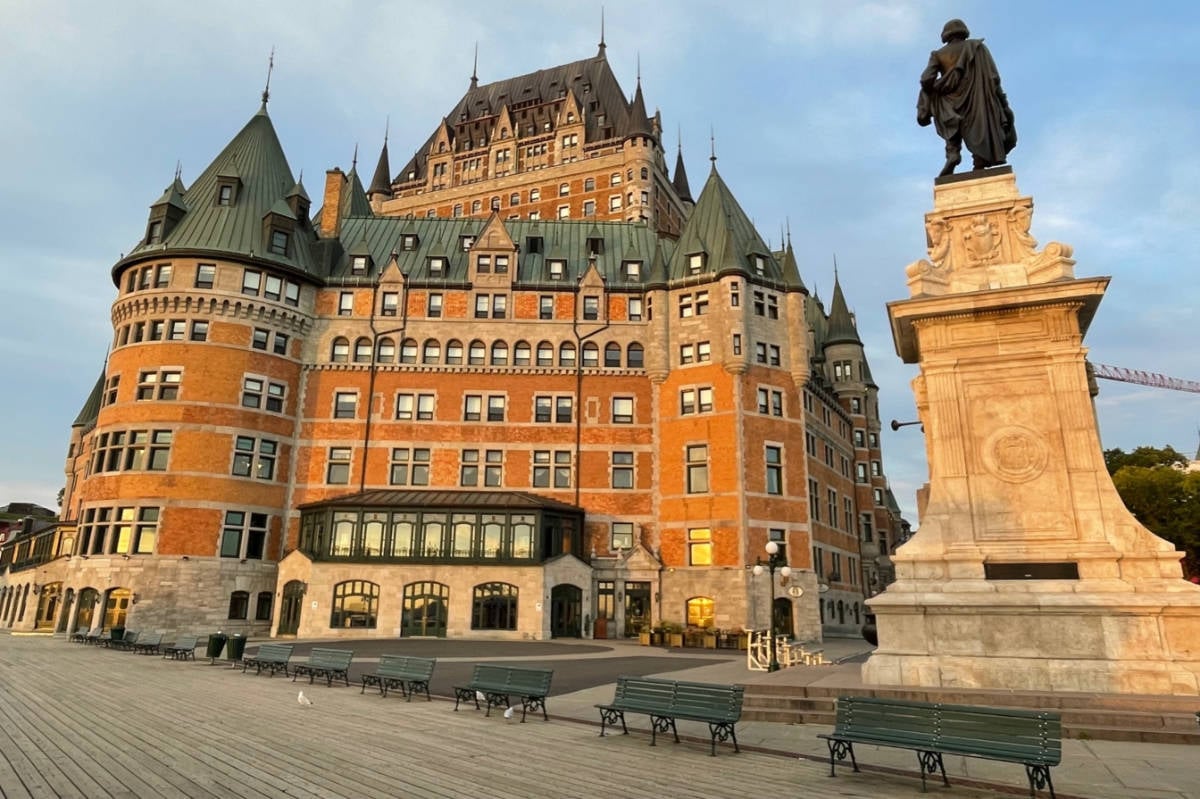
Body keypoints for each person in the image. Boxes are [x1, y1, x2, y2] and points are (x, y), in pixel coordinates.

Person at [918, 19, 1017, 177]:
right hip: (977, 98)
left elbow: (925, 79)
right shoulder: (978, 48)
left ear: (945, 35)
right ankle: (979, 162)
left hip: (948, 101)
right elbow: (993, 77)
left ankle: (952, 153)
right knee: (978, 127)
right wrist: (1002, 101)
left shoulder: (938, 55)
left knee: (951, 121)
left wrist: (937, 88)